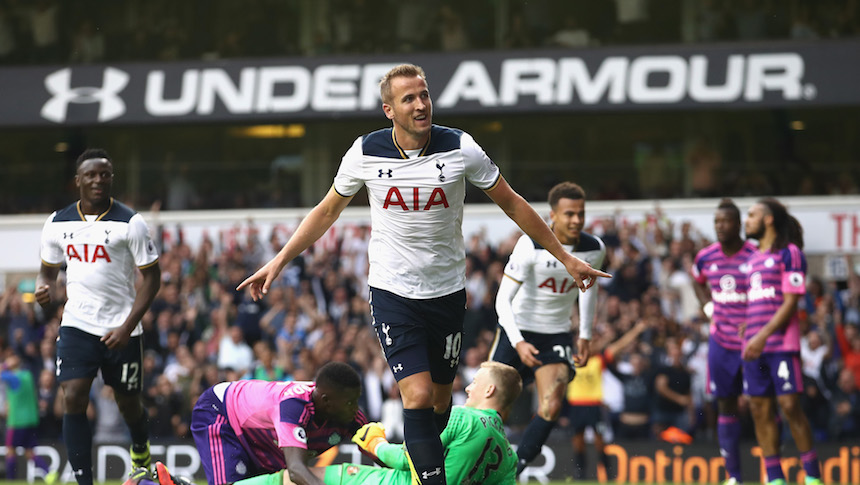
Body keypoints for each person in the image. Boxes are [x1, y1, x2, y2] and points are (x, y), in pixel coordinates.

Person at [237, 63, 610, 485]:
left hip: (447, 293)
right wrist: (279, 260)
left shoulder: (461, 147)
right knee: (414, 395)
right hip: (393, 292)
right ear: (388, 110)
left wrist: (563, 255)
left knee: (437, 403)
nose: (421, 105)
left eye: (424, 95)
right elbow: (326, 211)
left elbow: (513, 203)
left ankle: (422, 470)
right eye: (409, 99)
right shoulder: (364, 152)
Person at [35, 148, 161, 485]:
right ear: (77, 180)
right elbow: (46, 273)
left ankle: (141, 452)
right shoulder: (57, 222)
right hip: (77, 324)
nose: (98, 180)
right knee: (73, 396)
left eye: (104, 174)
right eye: (91, 174)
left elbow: (152, 278)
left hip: (122, 328)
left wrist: (127, 326)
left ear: (111, 179)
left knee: (128, 403)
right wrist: (43, 290)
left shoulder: (130, 222)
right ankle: (83, 480)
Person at [234, 361, 522, 485]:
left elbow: (410, 457)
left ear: (490, 391)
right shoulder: (509, 456)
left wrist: (377, 443)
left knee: (289, 479)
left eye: (475, 383)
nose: (469, 388)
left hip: (386, 482)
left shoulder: (461, 417)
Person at [489, 181, 606, 475]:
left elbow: (588, 289)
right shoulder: (530, 244)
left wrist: (585, 334)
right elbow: (502, 301)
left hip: (555, 334)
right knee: (489, 410)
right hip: (516, 330)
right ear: (552, 215)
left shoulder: (594, 249)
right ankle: (472, 467)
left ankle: (514, 471)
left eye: (580, 213)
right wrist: (517, 341)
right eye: (569, 214)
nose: (577, 220)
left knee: (552, 405)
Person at [741, 198, 822, 485]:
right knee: (760, 411)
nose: (746, 220)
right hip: (753, 346)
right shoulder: (750, 259)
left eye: (751, 215)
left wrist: (761, 335)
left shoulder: (790, 253)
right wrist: (747, 326)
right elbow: (756, 301)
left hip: (781, 346)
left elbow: (791, 302)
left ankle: (812, 476)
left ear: (768, 219)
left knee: (789, 406)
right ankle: (775, 479)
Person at [185, 361, 367, 485]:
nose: (355, 409)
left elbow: (379, 451)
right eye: (350, 403)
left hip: (262, 440)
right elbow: (297, 471)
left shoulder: (350, 416)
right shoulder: (294, 407)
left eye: (356, 400)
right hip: (220, 411)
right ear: (327, 401)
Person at [691, 198, 757, 485]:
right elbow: (697, 280)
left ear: (739, 224)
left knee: (763, 404)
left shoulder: (754, 255)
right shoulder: (706, 256)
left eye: (726, 221)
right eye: (717, 221)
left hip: (753, 343)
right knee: (725, 404)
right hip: (721, 342)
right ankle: (734, 477)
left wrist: (755, 320)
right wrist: (708, 307)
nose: (720, 226)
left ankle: (774, 470)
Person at [1, 353, 56, 482]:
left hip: (17, 421)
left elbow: (2, 374)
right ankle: (49, 474)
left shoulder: (13, 377)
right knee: (29, 451)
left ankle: (11, 480)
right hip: (31, 419)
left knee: (10, 450)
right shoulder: (28, 375)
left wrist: (5, 365)